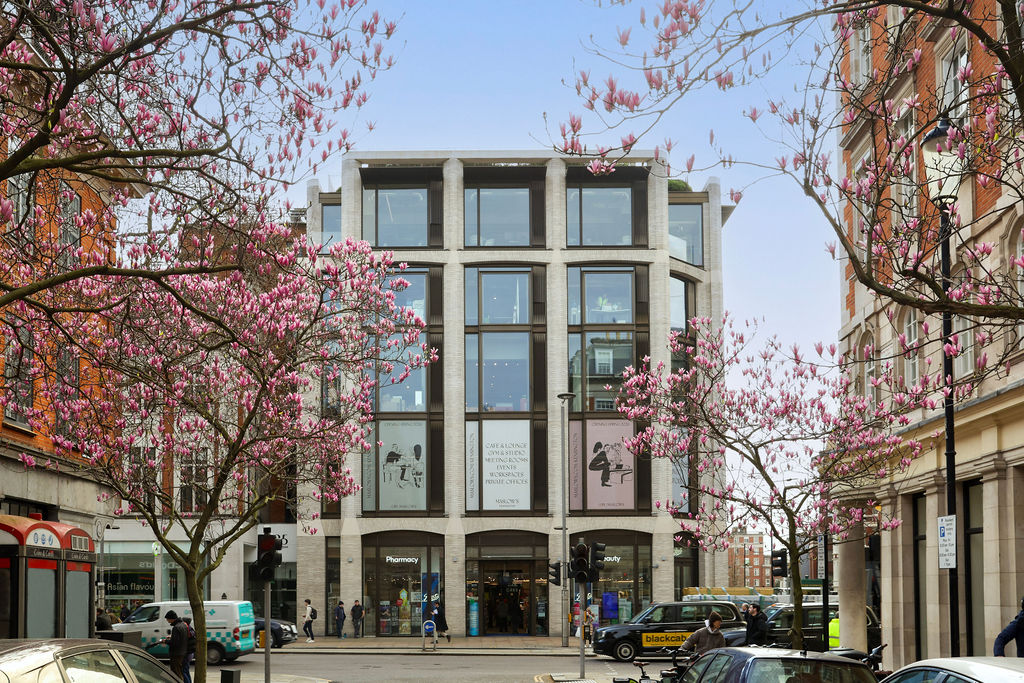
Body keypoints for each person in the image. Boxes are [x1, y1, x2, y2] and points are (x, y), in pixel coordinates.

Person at [164, 610, 189, 681]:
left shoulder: (176, 627)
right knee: (180, 672)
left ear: (171, 618)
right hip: (182, 652)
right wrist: (172, 637)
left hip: (176, 654)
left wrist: (165, 641)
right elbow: (181, 638)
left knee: (176, 673)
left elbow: (174, 643)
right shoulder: (183, 625)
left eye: (168, 619)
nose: (167, 621)